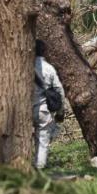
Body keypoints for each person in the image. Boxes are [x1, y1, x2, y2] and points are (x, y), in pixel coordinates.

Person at [33, 40, 65, 169]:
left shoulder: (22, 66)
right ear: (44, 52)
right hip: (43, 110)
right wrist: (61, 111)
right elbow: (59, 90)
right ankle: (39, 168)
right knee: (43, 140)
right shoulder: (49, 68)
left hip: (24, 111)